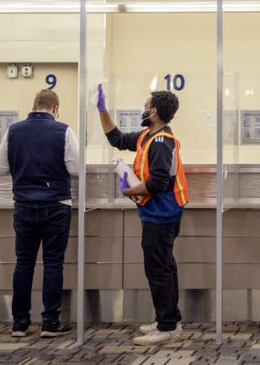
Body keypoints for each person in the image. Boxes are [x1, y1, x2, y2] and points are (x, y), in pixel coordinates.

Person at [97, 85, 189, 346]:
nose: (143, 108)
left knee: (158, 269)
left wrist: (129, 190)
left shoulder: (161, 143)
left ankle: (168, 326)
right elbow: (116, 138)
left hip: (162, 215)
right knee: (165, 267)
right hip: (157, 213)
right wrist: (102, 110)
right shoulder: (148, 136)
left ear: (154, 111)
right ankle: (169, 319)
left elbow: (158, 182)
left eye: (146, 105)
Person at [0, 89, 79, 338]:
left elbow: (0, 168)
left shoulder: (13, 130)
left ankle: (20, 323)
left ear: (33, 106)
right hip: (56, 204)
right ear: (55, 109)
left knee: (24, 263)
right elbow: (75, 168)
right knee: (53, 263)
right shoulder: (63, 130)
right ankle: (50, 323)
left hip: (23, 205)